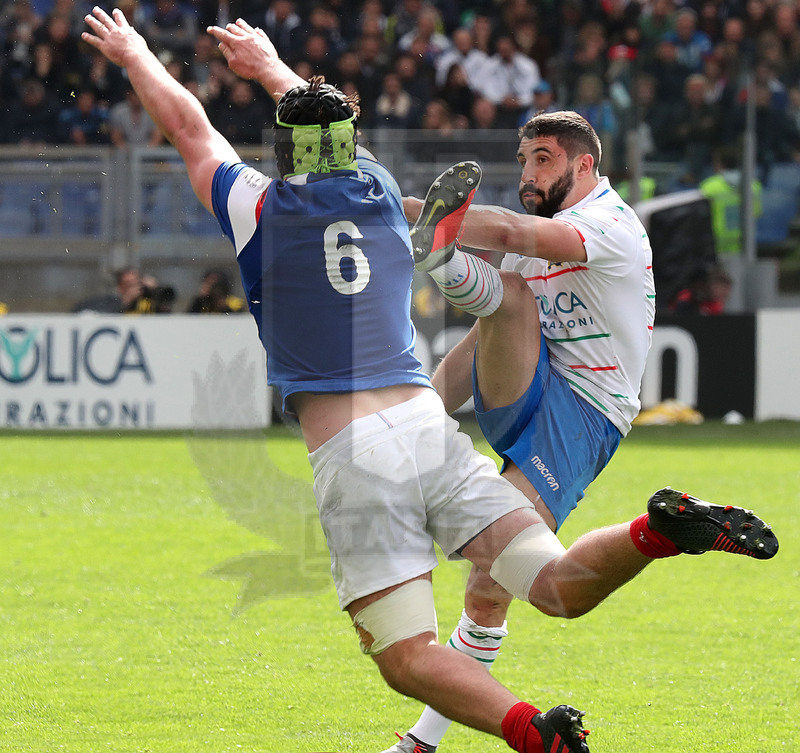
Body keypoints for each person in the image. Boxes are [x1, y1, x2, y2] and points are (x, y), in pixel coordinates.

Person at [81, 11, 778, 753]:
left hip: (353, 452)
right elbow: (333, 132)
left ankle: (529, 730)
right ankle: (656, 531)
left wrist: (135, 53)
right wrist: (271, 64)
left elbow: (190, 125)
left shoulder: (257, 205)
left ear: (283, 153)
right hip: (428, 431)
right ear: (352, 145)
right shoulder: (379, 189)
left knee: (405, 654)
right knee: (552, 585)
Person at [387, 110, 778, 752]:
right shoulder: (532, 239)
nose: (528, 172)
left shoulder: (610, 225)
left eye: (543, 159)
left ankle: (658, 533)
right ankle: (421, 746)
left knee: (542, 593)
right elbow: (488, 332)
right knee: (506, 297)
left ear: (584, 166)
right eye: (523, 160)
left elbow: (512, 230)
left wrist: (415, 212)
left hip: (583, 413)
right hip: (534, 389)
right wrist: (422, 413)